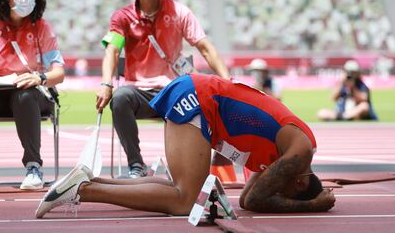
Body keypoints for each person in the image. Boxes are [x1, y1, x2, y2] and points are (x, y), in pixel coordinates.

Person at [36, 74, 335, 218]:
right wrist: (312, 205)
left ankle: (89, 180)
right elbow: (256, 200)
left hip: (199, 96)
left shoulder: (284, 156)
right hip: (201, 98)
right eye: (284, 189)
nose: (276, 188)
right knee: (185, 200)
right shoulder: (300, 151)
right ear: (297, 181)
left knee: (177, 186)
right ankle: (82, 192)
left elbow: (246, 198)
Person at [96, 0, 230, 178]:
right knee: (120, 98)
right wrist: (106, 84)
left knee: (208, 100)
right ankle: (136, 167)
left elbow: (204, 46)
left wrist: (227, 81)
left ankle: (199, 166)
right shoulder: (122, 17)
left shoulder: (179, 12)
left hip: (174, 91)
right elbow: (113, 50)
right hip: (139, 92)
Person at [0, 0, 65, 190]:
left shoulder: (42, 28)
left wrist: (39, 77)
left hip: (32, 97)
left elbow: (59, 73)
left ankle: (33, 167)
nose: (29, 0)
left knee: (24, 94)